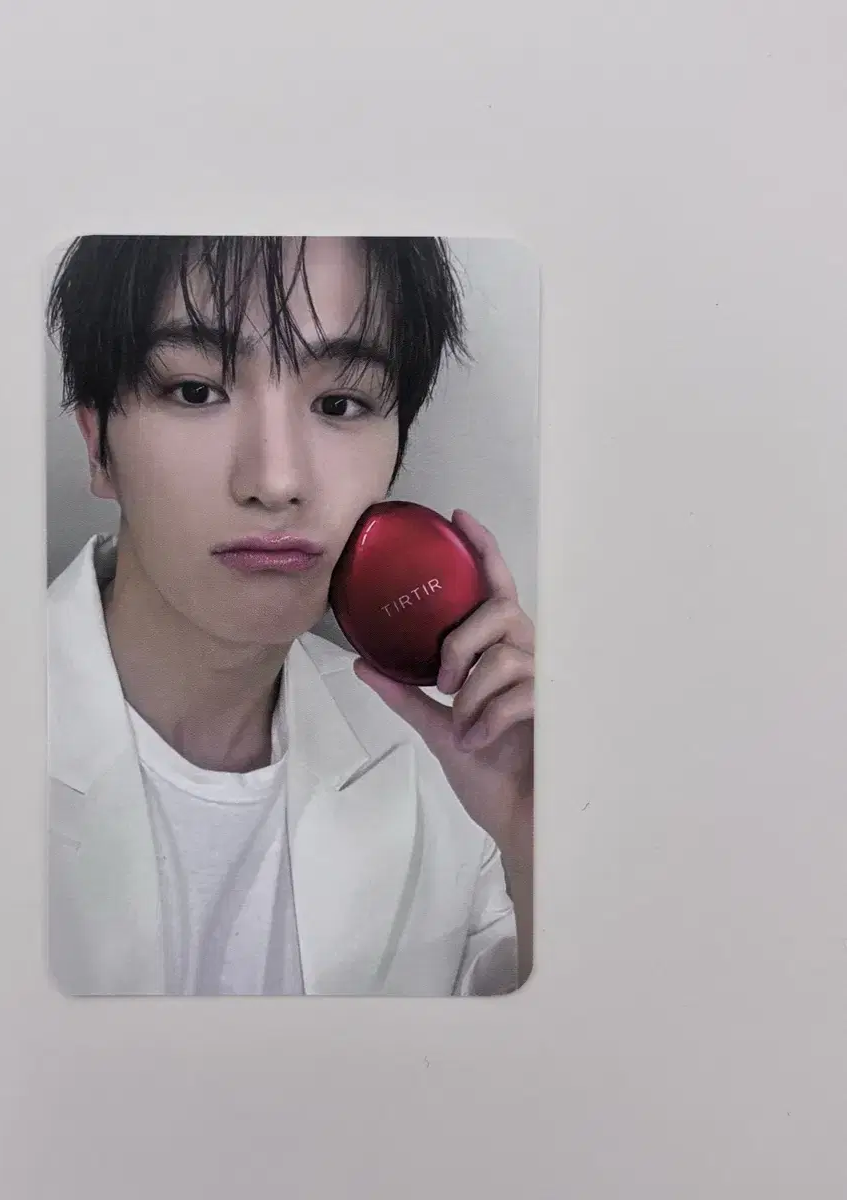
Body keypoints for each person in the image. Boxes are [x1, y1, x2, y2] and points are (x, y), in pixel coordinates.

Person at [45, 235, 535, 996]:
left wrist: (541, 843)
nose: (276, 481)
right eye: (196, 392)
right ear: (97, 445)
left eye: (340, 404)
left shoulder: (456, 762)